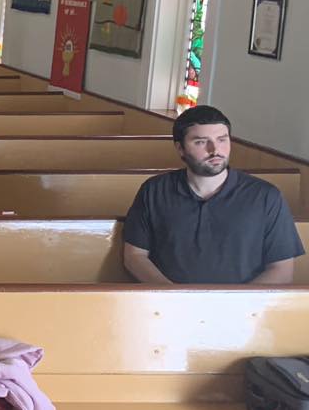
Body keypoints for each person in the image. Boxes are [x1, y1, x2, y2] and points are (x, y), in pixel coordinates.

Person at [122, 105, 304, 284]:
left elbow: (281, 270)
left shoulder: (266, 196)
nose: (214, 150)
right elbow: (135, 256)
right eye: (201, 142)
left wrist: (232, 307)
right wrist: (173, 297)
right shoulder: (154, 190)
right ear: (180, 148)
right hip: (166, 306)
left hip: (244, 310)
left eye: (222, 140)